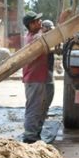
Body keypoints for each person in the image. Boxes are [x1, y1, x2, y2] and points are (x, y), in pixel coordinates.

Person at [21, 11, 49, 143]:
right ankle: (30, 136)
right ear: (30, 25)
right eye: (37, 21)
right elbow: (43, 39)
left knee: (37, 107)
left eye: (40, 20)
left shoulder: (31, 36)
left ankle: (34, 134)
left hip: (35, 78)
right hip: (34, 78)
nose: (40, 22)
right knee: (34, 107)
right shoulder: (35, 38)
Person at [40, 20, 56, 121]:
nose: (50, 30)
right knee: (49, 91)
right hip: (45, 70)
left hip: (48, 69)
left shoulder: (48, 38)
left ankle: (43, 112)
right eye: (48, 28)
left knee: (47, 92)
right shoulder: (42, 39)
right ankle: (42, 112)